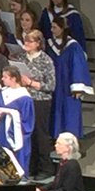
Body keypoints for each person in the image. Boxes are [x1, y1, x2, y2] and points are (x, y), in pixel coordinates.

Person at [13, 29, 56, 177]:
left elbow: (51, 86)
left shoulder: (46, 60)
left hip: (40, 101)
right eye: (25, 41)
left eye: (30, 41)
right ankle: (29, 166)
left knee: (40, 134)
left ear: (38, 43)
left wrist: (31, 82)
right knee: (26, 134)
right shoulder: (21, 58)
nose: (26, 44)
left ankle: (45, 168)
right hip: (24, 100)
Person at [46, 16, 94, 139]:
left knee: (69, 112)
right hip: (55, 85)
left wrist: (77, 87)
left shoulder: (73, 46)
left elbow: (78, 66)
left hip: (68, 86)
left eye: (54, 27)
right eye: (51, 27)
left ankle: (70, 141)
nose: (52, 30)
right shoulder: (50, 45)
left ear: (62, 29)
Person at [0, 65, 36, 175]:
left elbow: (27, 121)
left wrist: (9, 112)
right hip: (1, 134)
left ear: (14, 79)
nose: (2, 79)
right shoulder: (2, 92)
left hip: (15, 136)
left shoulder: (24, 98)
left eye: (5, 77)